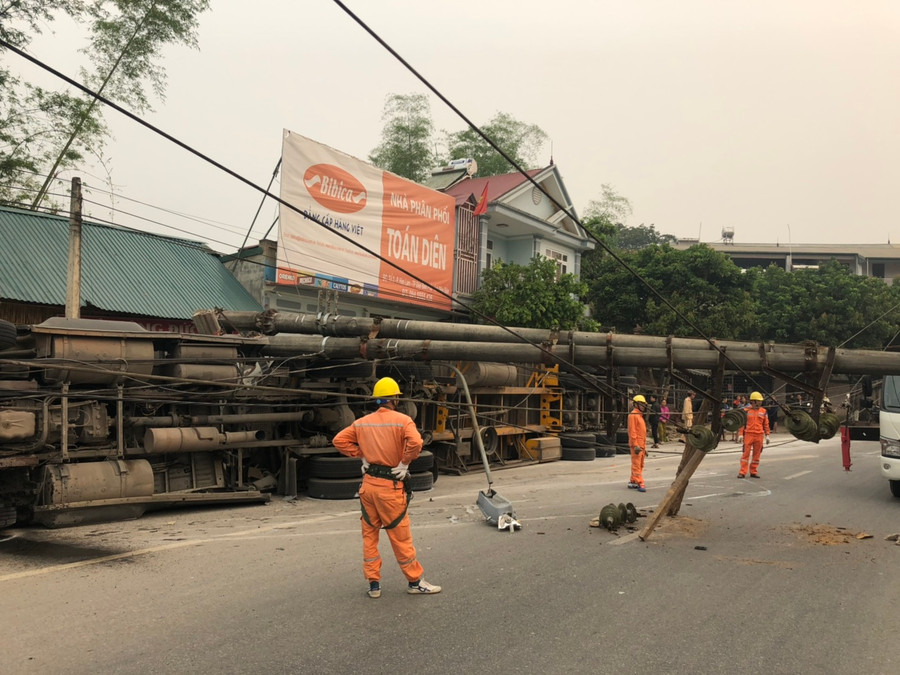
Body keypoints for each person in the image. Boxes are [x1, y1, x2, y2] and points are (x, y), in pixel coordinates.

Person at [332, 377, 441, 598]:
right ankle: (414, 581)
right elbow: (417, 443)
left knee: (369, 536)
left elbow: (339, 441)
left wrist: (361, 455)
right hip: (390, 489)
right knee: (401, 538)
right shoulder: (403, 421)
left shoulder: (362, 423)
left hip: (368, 488)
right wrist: (404, 463)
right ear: (395, 399)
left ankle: (374, 585)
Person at [737, 391, 771, 479]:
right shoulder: (746, 411)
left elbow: (766, 424)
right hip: (748, 434)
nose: (760, 402)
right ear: (753, 401)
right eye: (759, 401)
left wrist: (767, 435)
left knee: (757, 455)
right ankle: (742, 472)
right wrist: (741, 434)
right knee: (745, 454)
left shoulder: (763, 411)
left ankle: (753, 471)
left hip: (759, 435)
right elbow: (742, 423)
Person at [627, 395, 648, 492]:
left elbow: (641, 433)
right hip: (637, 446)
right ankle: (640, 483)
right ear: (636, 404)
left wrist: (644, 448)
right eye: (641, 404)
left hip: (641, 445)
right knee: (636, 465)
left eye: (644, 404)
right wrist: (635, 445)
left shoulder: (640, 416)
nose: (643, 406)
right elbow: (633, 432)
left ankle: (633, 481)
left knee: (640, 464)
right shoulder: (633, 415)